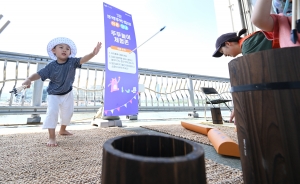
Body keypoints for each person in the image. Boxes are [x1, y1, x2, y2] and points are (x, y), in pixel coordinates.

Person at [22, 37, 102, 147]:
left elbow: (83, 59)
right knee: (52, 113)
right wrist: (29, 79)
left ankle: (62, 130)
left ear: (70, 52)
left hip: (67, 93)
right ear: (54, 51)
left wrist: (93, 53)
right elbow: (38, 74)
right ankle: (51, 136)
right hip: (53, 94)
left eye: (67, 48)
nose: (64, 50)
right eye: (61, 47)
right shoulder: (51, 66)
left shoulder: (72, 62)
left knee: (68, 113)